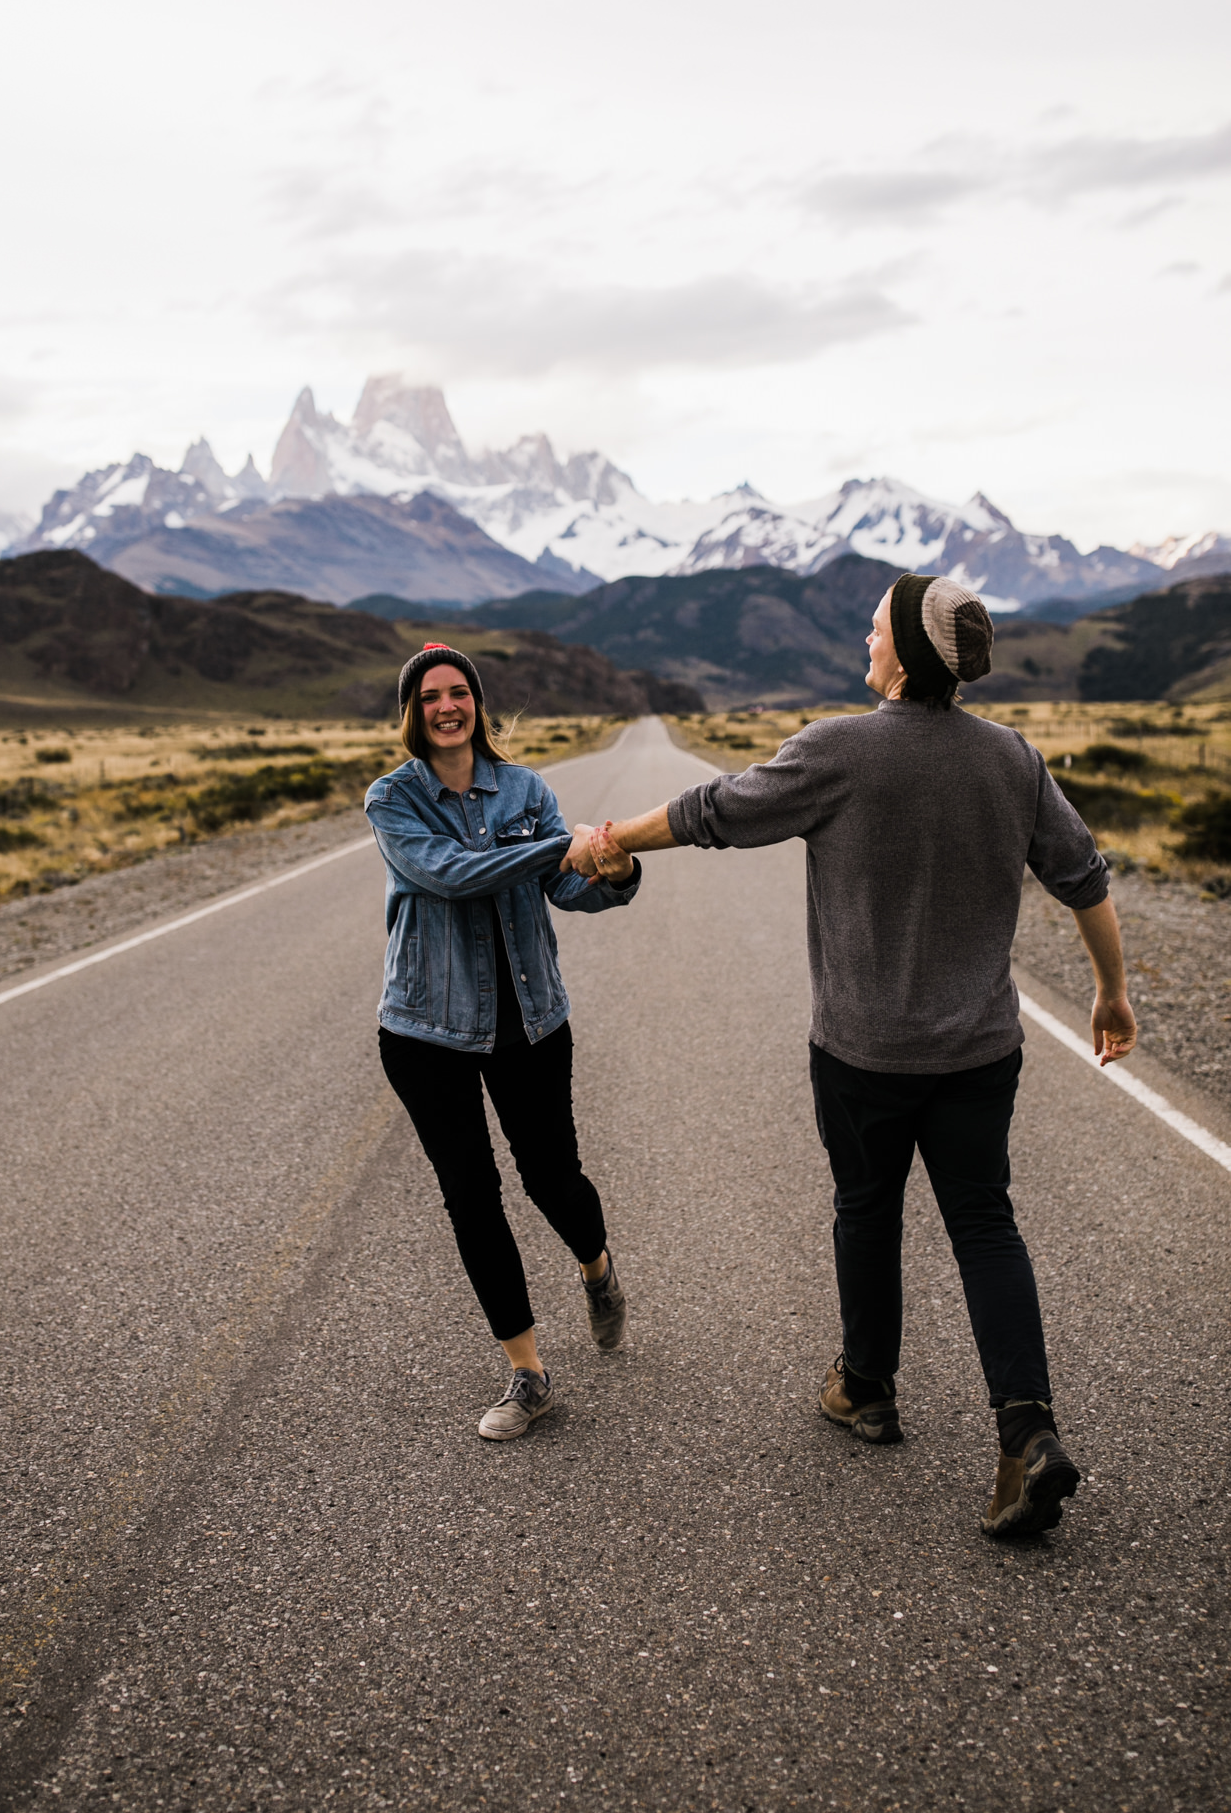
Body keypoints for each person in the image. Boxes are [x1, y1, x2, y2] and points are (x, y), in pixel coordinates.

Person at [570, 574, 1137, 1537]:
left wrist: (607, 841)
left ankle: (867, 1388)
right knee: (985, 1227)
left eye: (874, 627)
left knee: (865, 1210)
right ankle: (1026, 1432)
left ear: (907, 654)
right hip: (979, 1051)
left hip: (863, 1052)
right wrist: (1111, 992)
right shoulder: (1011, 759)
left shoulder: (840, 747)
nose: (862, 639)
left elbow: (716, 811)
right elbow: (1081, 876)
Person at [365, 643, 641, 1442]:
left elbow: (567, 890)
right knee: (471, 1196)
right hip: (424, 1029)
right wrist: (563, 847)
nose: (446, 707)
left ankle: (596, 1268)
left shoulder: (525, 789)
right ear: (412, 714)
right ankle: (528, 1373)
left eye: (458, 693)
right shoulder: (393, 800)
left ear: (477, 705)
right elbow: (449, 873)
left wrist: (611, 872)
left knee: (552, 1179)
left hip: (529, 1020)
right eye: (429, 697)